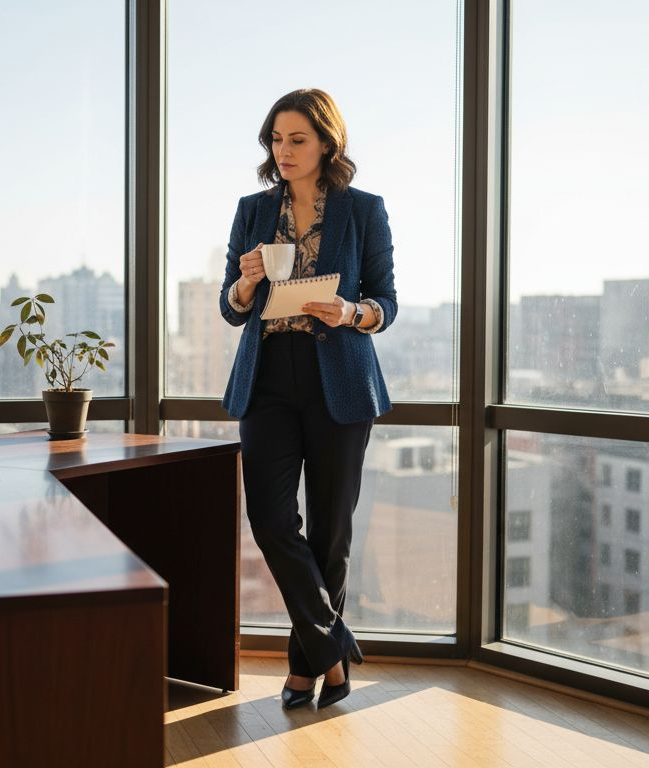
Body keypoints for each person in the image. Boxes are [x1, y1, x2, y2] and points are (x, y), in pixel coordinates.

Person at [218, 88, 397, 710]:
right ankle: (336, 645)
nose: (284, 151)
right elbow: (231, 308)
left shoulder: (364, 211)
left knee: (331, 531)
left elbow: (386, 303)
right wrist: (245, 283)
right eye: (276, 139)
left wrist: (352, 311)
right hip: (268, 376)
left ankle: (306, 669)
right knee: (270, 520)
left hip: (339, 378)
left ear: (326, 142)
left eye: (297, 139)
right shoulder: (251, 210)